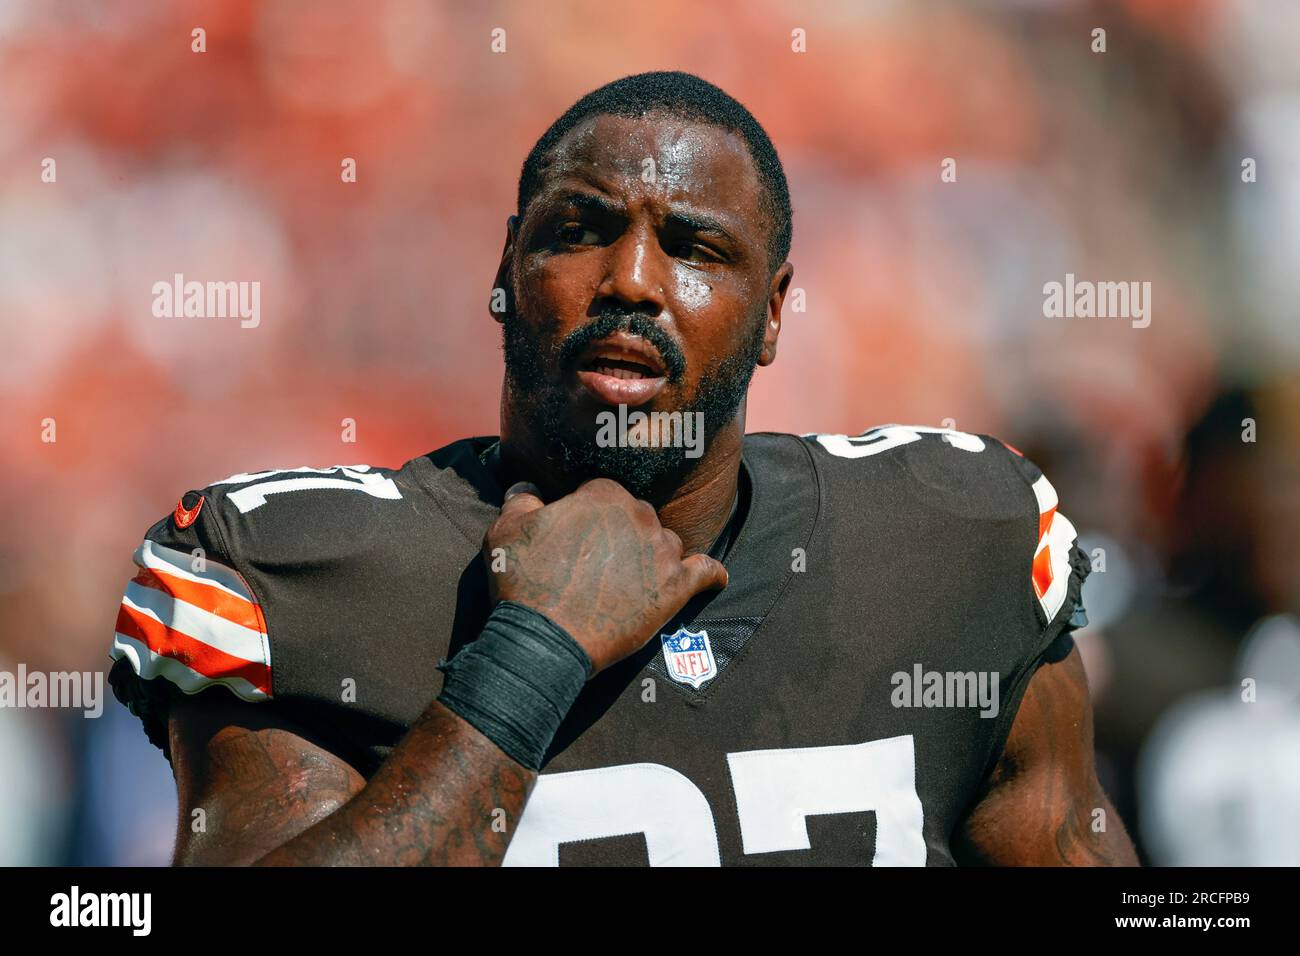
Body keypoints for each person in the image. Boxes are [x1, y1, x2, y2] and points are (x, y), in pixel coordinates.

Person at [109, 71, 1136, 866]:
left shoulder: (947, 542)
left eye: (693, 245)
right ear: (504, 269)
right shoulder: (299, 571)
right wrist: (526, 660)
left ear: (774, 312)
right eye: (580, 230)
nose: (632, 281)